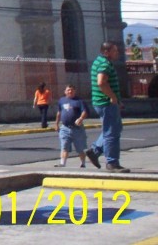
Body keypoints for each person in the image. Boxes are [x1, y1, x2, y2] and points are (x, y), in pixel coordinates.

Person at [86, 41, 129, 172]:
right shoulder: (104, 64)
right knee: (111, 133)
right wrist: (113, 97)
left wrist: (117, 100)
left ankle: (95, 151)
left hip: (105, 102)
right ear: (106, 52)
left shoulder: (100, 61)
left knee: (114, 129)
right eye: (114, 51)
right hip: (106, 103)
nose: (117, 53)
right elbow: (101, 82)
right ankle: (112, 163)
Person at [54, 84, 89, 168]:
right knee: (64, 146)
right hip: (65, 128)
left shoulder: (79, 101)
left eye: (72, 90)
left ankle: (83, 163)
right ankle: (62, 163)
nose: (70, 91)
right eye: (68, 90)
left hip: (77, 129)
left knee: (80, 148)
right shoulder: (61, 101)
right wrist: (56, 124)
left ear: (74, 91)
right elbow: (59, 113)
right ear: (65, 92)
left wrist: (80, 118)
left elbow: (85, 111)